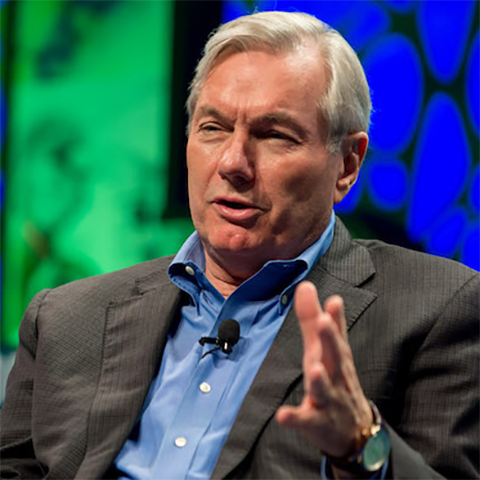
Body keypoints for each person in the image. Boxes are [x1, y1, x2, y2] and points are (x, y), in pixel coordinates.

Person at [1, 10, 479, 480]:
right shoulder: (65, 319)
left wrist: (362, 448)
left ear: (347, 165)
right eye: (213, 128)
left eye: (274, 135)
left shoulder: (436, 310)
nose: (232, 163)